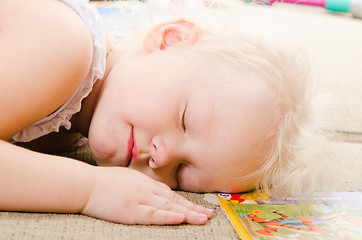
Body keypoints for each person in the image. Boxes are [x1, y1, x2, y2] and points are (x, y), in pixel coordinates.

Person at [0, 0, 337, 225]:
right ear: (169, 40)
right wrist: (88, 189)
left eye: (180, 173)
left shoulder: (68, 131)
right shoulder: (65, 47)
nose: (162, 157)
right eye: (185, 120)